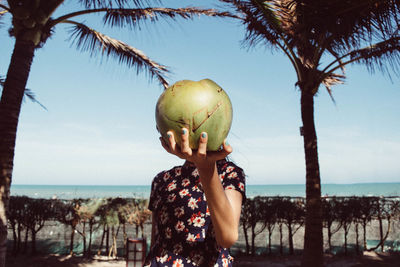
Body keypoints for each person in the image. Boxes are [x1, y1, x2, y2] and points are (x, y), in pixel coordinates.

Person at [144, 128, 246, 267]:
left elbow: (227, 237)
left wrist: (206, 167)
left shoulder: (230, 173)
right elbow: (156, 239)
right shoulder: (162, 179)